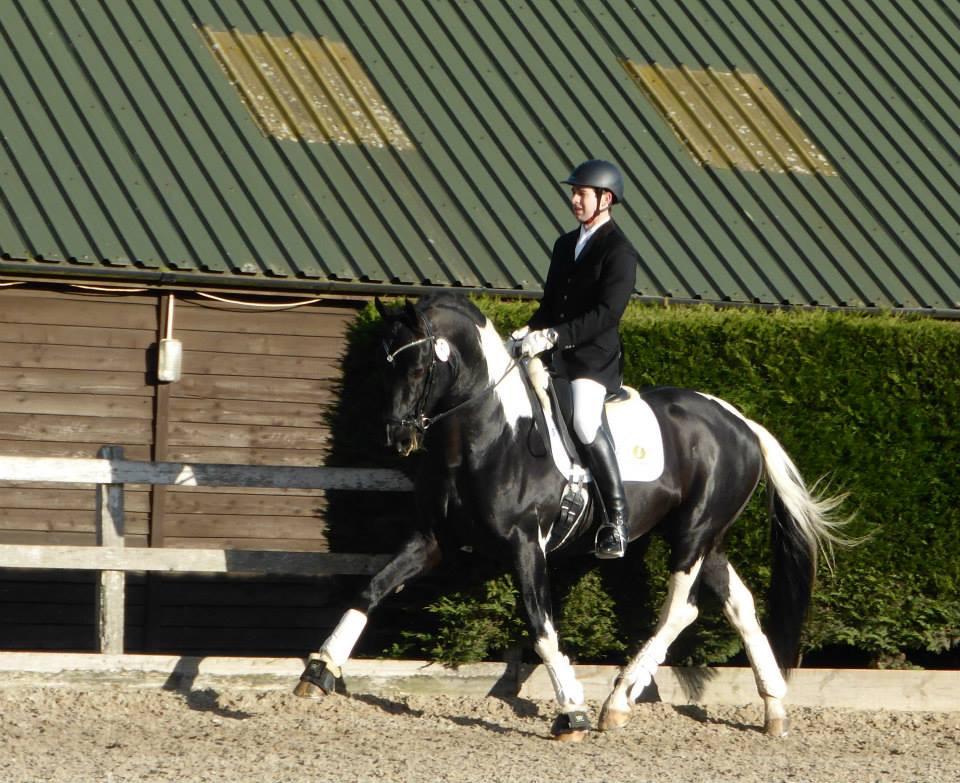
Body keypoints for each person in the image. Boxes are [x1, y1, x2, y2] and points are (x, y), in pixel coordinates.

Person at [510, 160, 638, 558]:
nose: (575, 200)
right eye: (574, 193)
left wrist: (555, 336)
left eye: (581, 193)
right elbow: (551, 304)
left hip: (593, 359)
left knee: (583, 419)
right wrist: (528, 330)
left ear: (606, 199)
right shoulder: (565, 245)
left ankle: (616, 521)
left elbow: (607, 314)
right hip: (556, 352)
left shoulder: (619, 251)